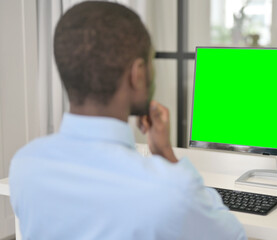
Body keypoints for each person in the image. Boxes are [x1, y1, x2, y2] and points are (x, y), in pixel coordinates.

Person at [8, 2, 246, 240]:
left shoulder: (25, 165)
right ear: (138, 74)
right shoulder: (170, 190)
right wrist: (167, 157)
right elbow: (233, 236)